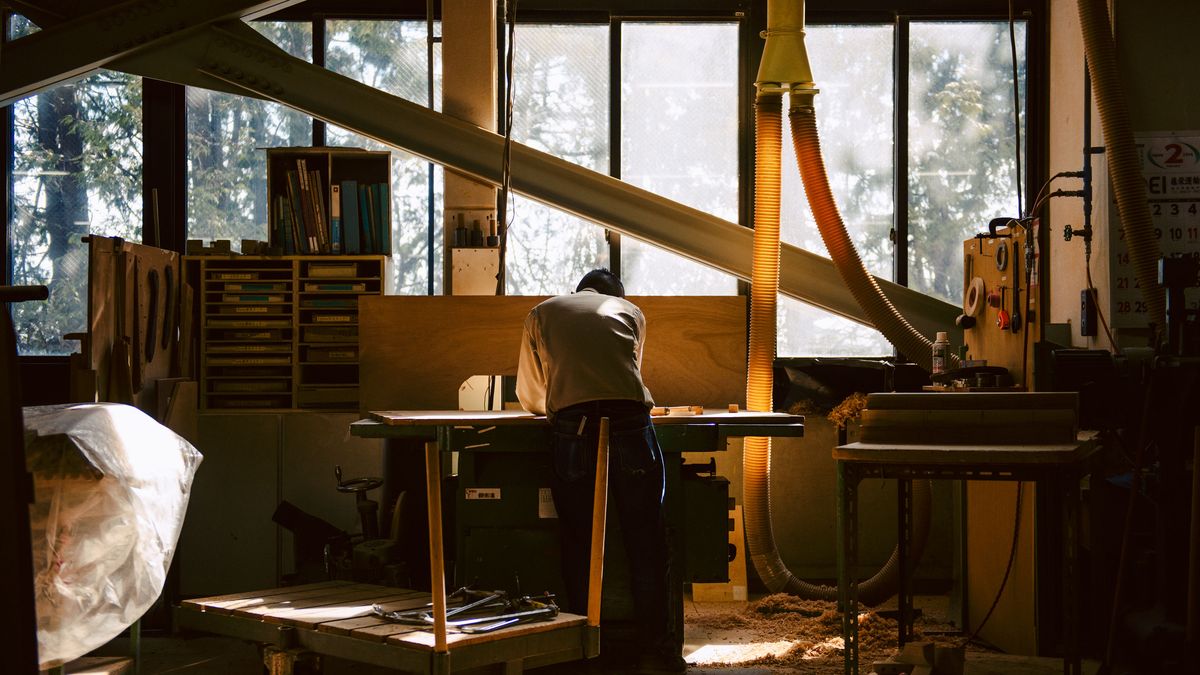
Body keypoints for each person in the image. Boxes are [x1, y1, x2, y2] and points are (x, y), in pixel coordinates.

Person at [516, 269, 685, 675]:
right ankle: (656, 652)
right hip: (629, 421)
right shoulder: (631, 312)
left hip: (572, 425)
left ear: (580, 291)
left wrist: (550, 406)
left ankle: (583, 646)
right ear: (616, 295)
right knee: (646, 538)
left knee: (578, 537)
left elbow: (531, 390)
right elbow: (629, 373)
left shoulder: (542, 313)